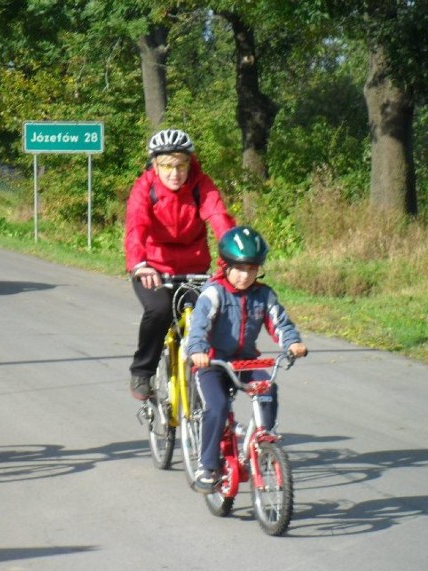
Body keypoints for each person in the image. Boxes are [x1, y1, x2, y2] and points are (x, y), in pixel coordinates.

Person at [185, 226, 308, 493]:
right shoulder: (213, 293)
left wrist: (292, 342)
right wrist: (198, 351)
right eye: (240, 269)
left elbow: (280, 323)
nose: (246, 276)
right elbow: (199, 327)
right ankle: (207, 466)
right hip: (213, 363)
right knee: (216, 407)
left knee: (267, 389)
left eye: (253, 269)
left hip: (245, 361)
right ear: (225, 266)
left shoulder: (263, 295)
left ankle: (265, 442)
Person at [124, 128, 236, 400]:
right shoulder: (145, 187)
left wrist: (231, 258)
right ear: (155, 164)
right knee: (159, 310)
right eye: (167, 165)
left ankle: (217, 374)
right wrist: (139, 264)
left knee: (211, 315)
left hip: (193, 269)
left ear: (190, 163)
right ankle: (143, 371)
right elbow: (136, 226)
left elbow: (219, 217)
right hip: (153, 269)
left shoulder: (201, 185)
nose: (175, 173)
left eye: (181, 165)